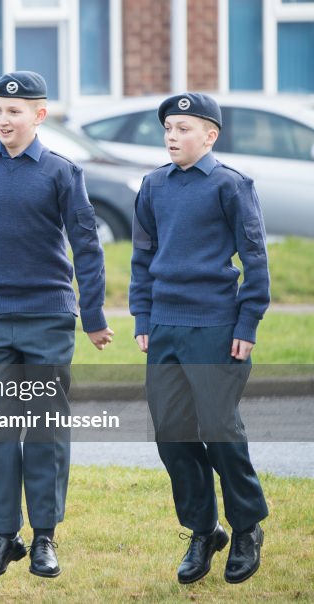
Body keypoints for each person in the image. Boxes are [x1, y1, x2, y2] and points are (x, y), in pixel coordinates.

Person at [0, 71, 113, 580]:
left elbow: (87, 247)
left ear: (39, 115)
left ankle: (45, 537)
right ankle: (4, 536)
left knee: (46, 431)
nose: (4, 119)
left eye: (15, 111)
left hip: (49, 317)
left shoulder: (61, 172)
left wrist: (93, 317)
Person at [130, 93, 269, 585]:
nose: (173, 135)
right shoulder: (152, 186)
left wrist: (247, 325)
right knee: (172, 435)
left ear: (211, 135)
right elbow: (142, 260)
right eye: (168, 126)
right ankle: (202, 530)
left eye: (184, 127)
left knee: (219, 428)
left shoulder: (232, 186)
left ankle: (248, 524)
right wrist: (143, 318)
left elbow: (255, 262)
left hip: (216, 327)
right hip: (164, 326)